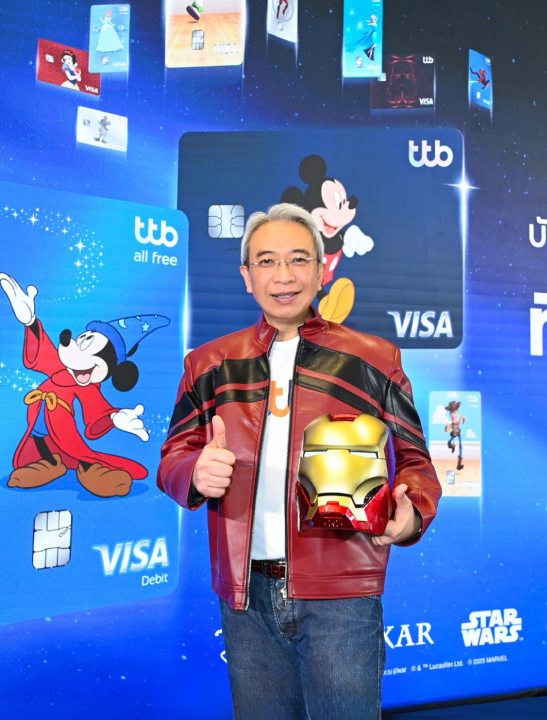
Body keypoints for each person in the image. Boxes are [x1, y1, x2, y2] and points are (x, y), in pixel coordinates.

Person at [157, 203, 441, 720]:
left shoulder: (375, 359)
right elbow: (173, 457)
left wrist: (413, 513)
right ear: (246, 276)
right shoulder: (208, 364)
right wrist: (194, 472)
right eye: (266, 261)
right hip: (246, 597)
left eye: (298, 259)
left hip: (343, 592)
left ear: (321, 270)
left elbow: (416, 462)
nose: (283, 275)